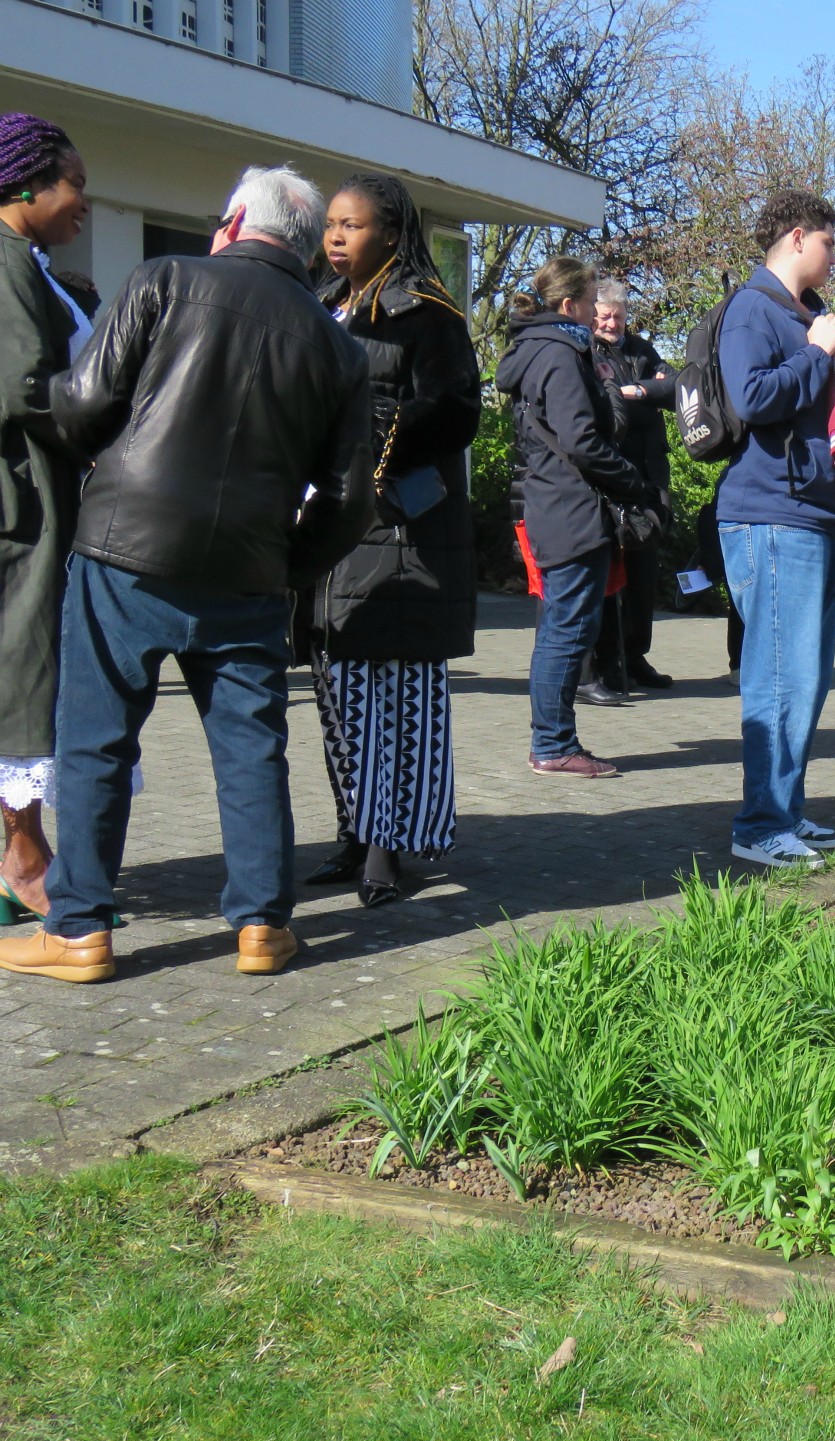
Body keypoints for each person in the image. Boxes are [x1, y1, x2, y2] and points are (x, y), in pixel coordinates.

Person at [0, 166, 372, 985]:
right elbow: (350, 500)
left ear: (236, 219)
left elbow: (84, 404)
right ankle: (263, 928)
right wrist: (284, 563)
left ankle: (80, 933)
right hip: (248, 570)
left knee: (97, 743)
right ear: (305, 248)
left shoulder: (163, 280)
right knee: (251, 749)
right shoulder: (340, 347)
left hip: (123, 551)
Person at [300, 172, 482, 909]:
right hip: (329, 531)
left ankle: (389, 846)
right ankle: (353, 830)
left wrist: (370, 437)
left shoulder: (429, 314)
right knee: (338, 688)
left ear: (392, 234)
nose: (336, 237)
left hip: (399, 531)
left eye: (353, 225)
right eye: (331, 224)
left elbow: (454, 409)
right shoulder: (320, 307)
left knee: (395, 695)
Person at [712, 190, 835, 869]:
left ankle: (787, 814)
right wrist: (817, 354)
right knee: (779, 675)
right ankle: (759, 825)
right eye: (830, 242)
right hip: (771, 515)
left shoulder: (812, 316)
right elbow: (753, 398)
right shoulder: (752, 309)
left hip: (817, 512)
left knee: (804, 676)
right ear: (798, 238)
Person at [494, 256, 652, 781]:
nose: (595, 312)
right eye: (590, 302)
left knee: (562, 628)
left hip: (557, 503)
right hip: (571, 508)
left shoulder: (541, 349)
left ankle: (553, 740)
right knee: (566, 630)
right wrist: (631, 482)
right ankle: (554, 743)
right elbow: (581, 440)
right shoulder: (559, 355)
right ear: (570, 305)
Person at [0, 114, 89, 923]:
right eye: (74, 187)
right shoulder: (5, 266)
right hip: (19, 504)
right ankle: (23, 859)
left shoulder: (25, 263)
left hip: (27, 497)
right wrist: (96, 424)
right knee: (20, 675)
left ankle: (20, 854)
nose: (83, 207)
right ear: (27, 186)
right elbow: (25, 384)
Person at [587, 278, 676, 694]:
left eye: (618, 316)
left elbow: (676, 386)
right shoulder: (586, 351)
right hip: (612, 475)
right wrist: (636, 396)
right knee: (609, 571)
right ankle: (606, 661)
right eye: (604, 315)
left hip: (649, 475)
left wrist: (636, 390)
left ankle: (636, 654)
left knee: (644, 569)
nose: (611, 323)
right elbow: (600, 405)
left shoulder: (641, 350)